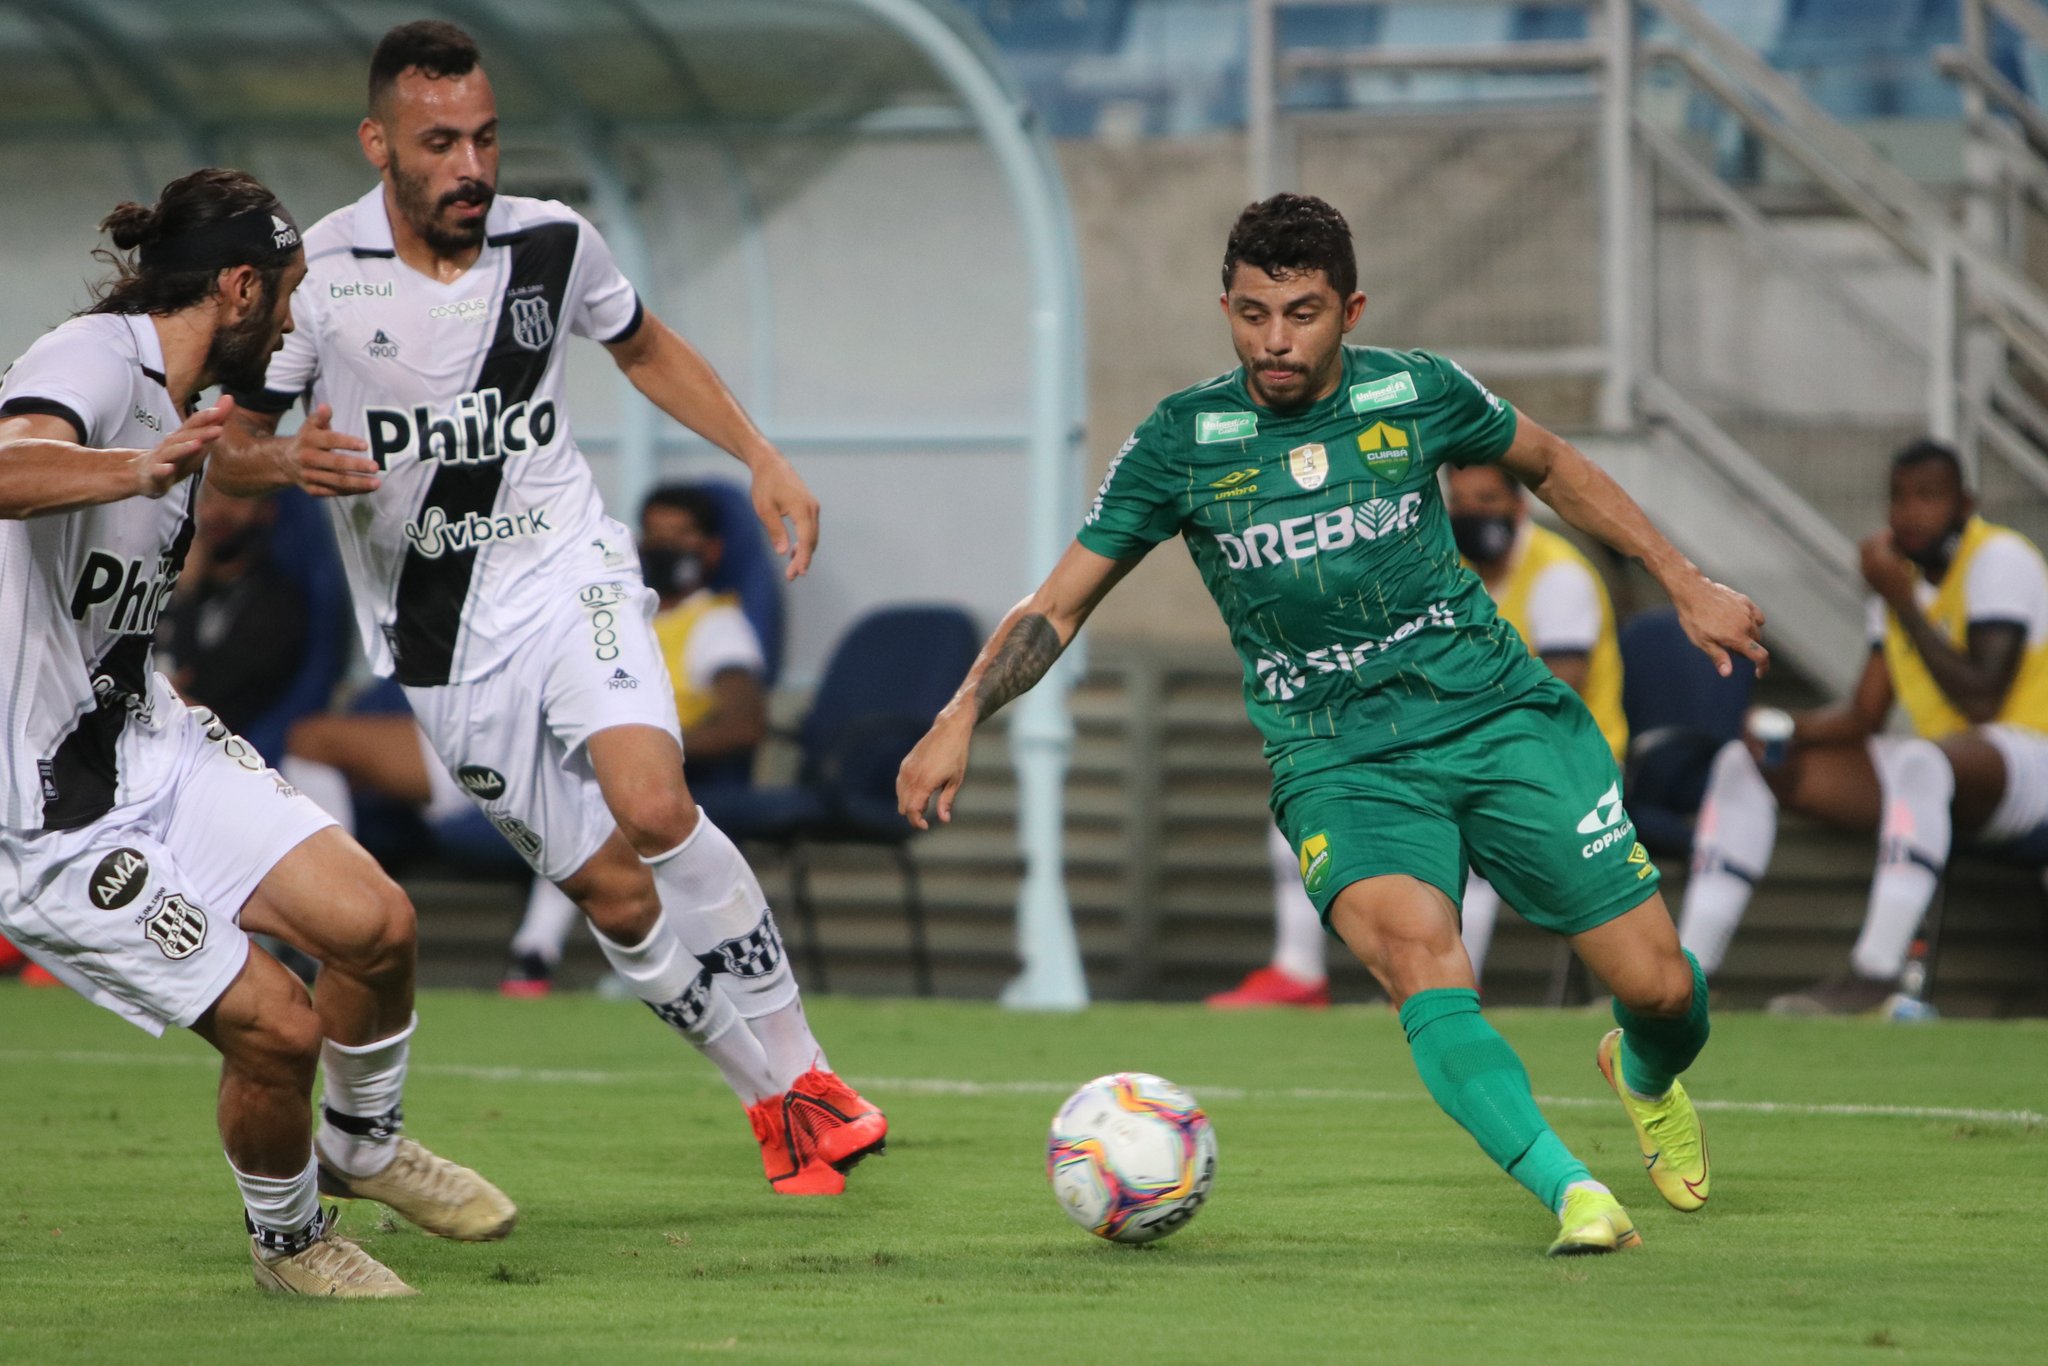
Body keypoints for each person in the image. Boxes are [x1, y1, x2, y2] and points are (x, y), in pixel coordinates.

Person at [901, 194, 1767, 1256]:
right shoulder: (1181, 442)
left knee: (1661, 987)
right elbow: (1057, 604)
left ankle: (1638, 1069)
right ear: (1224, 305)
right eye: (1253, 312)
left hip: (1495, 714)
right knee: (1418, 955)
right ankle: (1570, 1190)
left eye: (1301, 313)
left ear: (1348, 308)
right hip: (1336, 756)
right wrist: (959, 714)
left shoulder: (1417, 390)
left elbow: (1551, 465)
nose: (1274, 340)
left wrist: (1679, 580)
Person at [211, 21, 882, 1196]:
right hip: (441, 647)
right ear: (379, 144)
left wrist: (761, 455)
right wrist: (284, 468)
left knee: (653, 798)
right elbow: (231, 449)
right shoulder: (314, 278)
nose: (471, 167)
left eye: (484, 137)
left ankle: (808, 1070)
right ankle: (766, 1103)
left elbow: (645, 347)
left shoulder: (553, 242)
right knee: (614, 895)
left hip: (569, 573)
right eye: (439, 143)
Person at [0, 168, 511, 1299]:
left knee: (374, 925)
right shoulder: (91, 359)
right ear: (236, 288)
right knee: (278, 1029)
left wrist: (268, 461)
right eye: (281, 297)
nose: (291, 320)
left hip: (147, 737)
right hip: (43, 808)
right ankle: (290, 1244)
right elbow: (7, 464)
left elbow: (204, 450)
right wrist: (137, 466)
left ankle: (364, 1144)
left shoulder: (183, 387)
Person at [1209, 462, 1628, 1005]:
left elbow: (1558, 690)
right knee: (1308, 790)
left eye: (1487, 500)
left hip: (1563, 755)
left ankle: (1451, 981)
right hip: (1454, 744)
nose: (1471, 514)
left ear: (1520, 506)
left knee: (1468, 814)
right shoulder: (1445, 567)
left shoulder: (1559, 574)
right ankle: (1300, 972)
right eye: (1459, 501)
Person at [1679, 439, 2048, 1014]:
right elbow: (1865, 715)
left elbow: (1981, 701)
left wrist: (1902, 601)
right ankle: (1685, 972)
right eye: (1899, 498)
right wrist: (1787, 727)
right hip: (1944, 767)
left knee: (1919, 761)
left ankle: (1876, 975)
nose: (1909, 513)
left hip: (2030, 759)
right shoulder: (1896, 581)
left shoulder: (2001, 559)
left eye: (1929, 497)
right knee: (1743, 763)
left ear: (1965, 504)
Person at [503, 483, 770, 995]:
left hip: (670, 783)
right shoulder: (614, 616)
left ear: (710, 549)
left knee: (603, 802)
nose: (664, 547)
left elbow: (744, 724)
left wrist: (643, 753)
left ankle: (533, 956)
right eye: (655, 534)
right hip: (570, 763)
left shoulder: (715, 623)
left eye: (681, 536)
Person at [158, 481, 308, 736]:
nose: (213, 513)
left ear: (266, 511)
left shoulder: (275, 605)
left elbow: (200, 695)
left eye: (235, 500)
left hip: (214, 748)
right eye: (207, 499)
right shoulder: (157, 578)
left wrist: (185, 596)